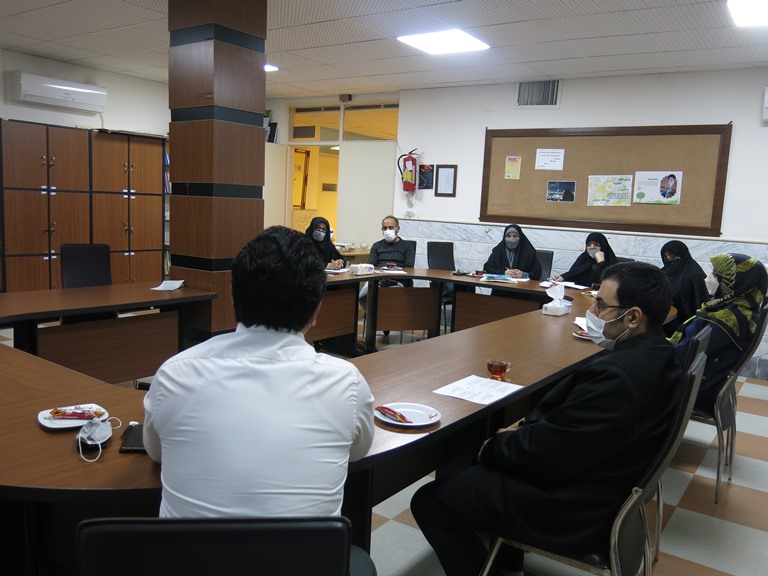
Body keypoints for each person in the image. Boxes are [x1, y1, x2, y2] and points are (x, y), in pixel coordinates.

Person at [410, 262, 683, 576]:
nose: (591, 311)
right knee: (479, 469)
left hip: (574, 508)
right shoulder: (660, 356)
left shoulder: (618, 377)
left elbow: (549, 455)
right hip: (605, 484)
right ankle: (506, 563)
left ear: (633, 317)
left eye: (600, 305)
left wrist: (494, 445)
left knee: (431, 500)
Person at [143, 226, 375, 521]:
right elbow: (357, 452)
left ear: (232, 296)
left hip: (187, 550)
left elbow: (157, 453)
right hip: (309, 550)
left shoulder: (175, 373)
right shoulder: (346, 382)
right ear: (317, 309)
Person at [671, 253, 767, 412]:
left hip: (696, 388)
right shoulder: (744, 308)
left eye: (716, 275)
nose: (709, 278)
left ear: (734, 282)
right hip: (706, 378)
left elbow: (685, 354)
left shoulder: (726, 320)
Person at [359, 215, 416, 310]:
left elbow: (409, 268)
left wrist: (393, 280)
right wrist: (381, 279)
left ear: (398, 229)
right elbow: (371, 266)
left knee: (390, 300)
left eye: (391, 228)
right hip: (377, 281)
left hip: (397, 282)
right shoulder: (377, 246)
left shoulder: (407, 246)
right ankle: (372, 316)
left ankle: (386, 317)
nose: (387, 230)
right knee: (362, 296)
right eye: (385, 228)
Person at [660, 240, 708, 335]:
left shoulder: (694, 275)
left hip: (683, 325)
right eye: (665, 257)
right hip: (664, 317)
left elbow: (698, 305)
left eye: (672, 256)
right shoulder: (663, 273)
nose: (668, 259)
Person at [552, 232, 618, 287]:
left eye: (596, 244)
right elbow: (573, 274)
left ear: (603, 246)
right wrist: (562, 277)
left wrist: (601, 263)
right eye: (588, 245)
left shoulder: (611, 263)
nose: (592, 247)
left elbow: (601, 282)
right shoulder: (584, 258)